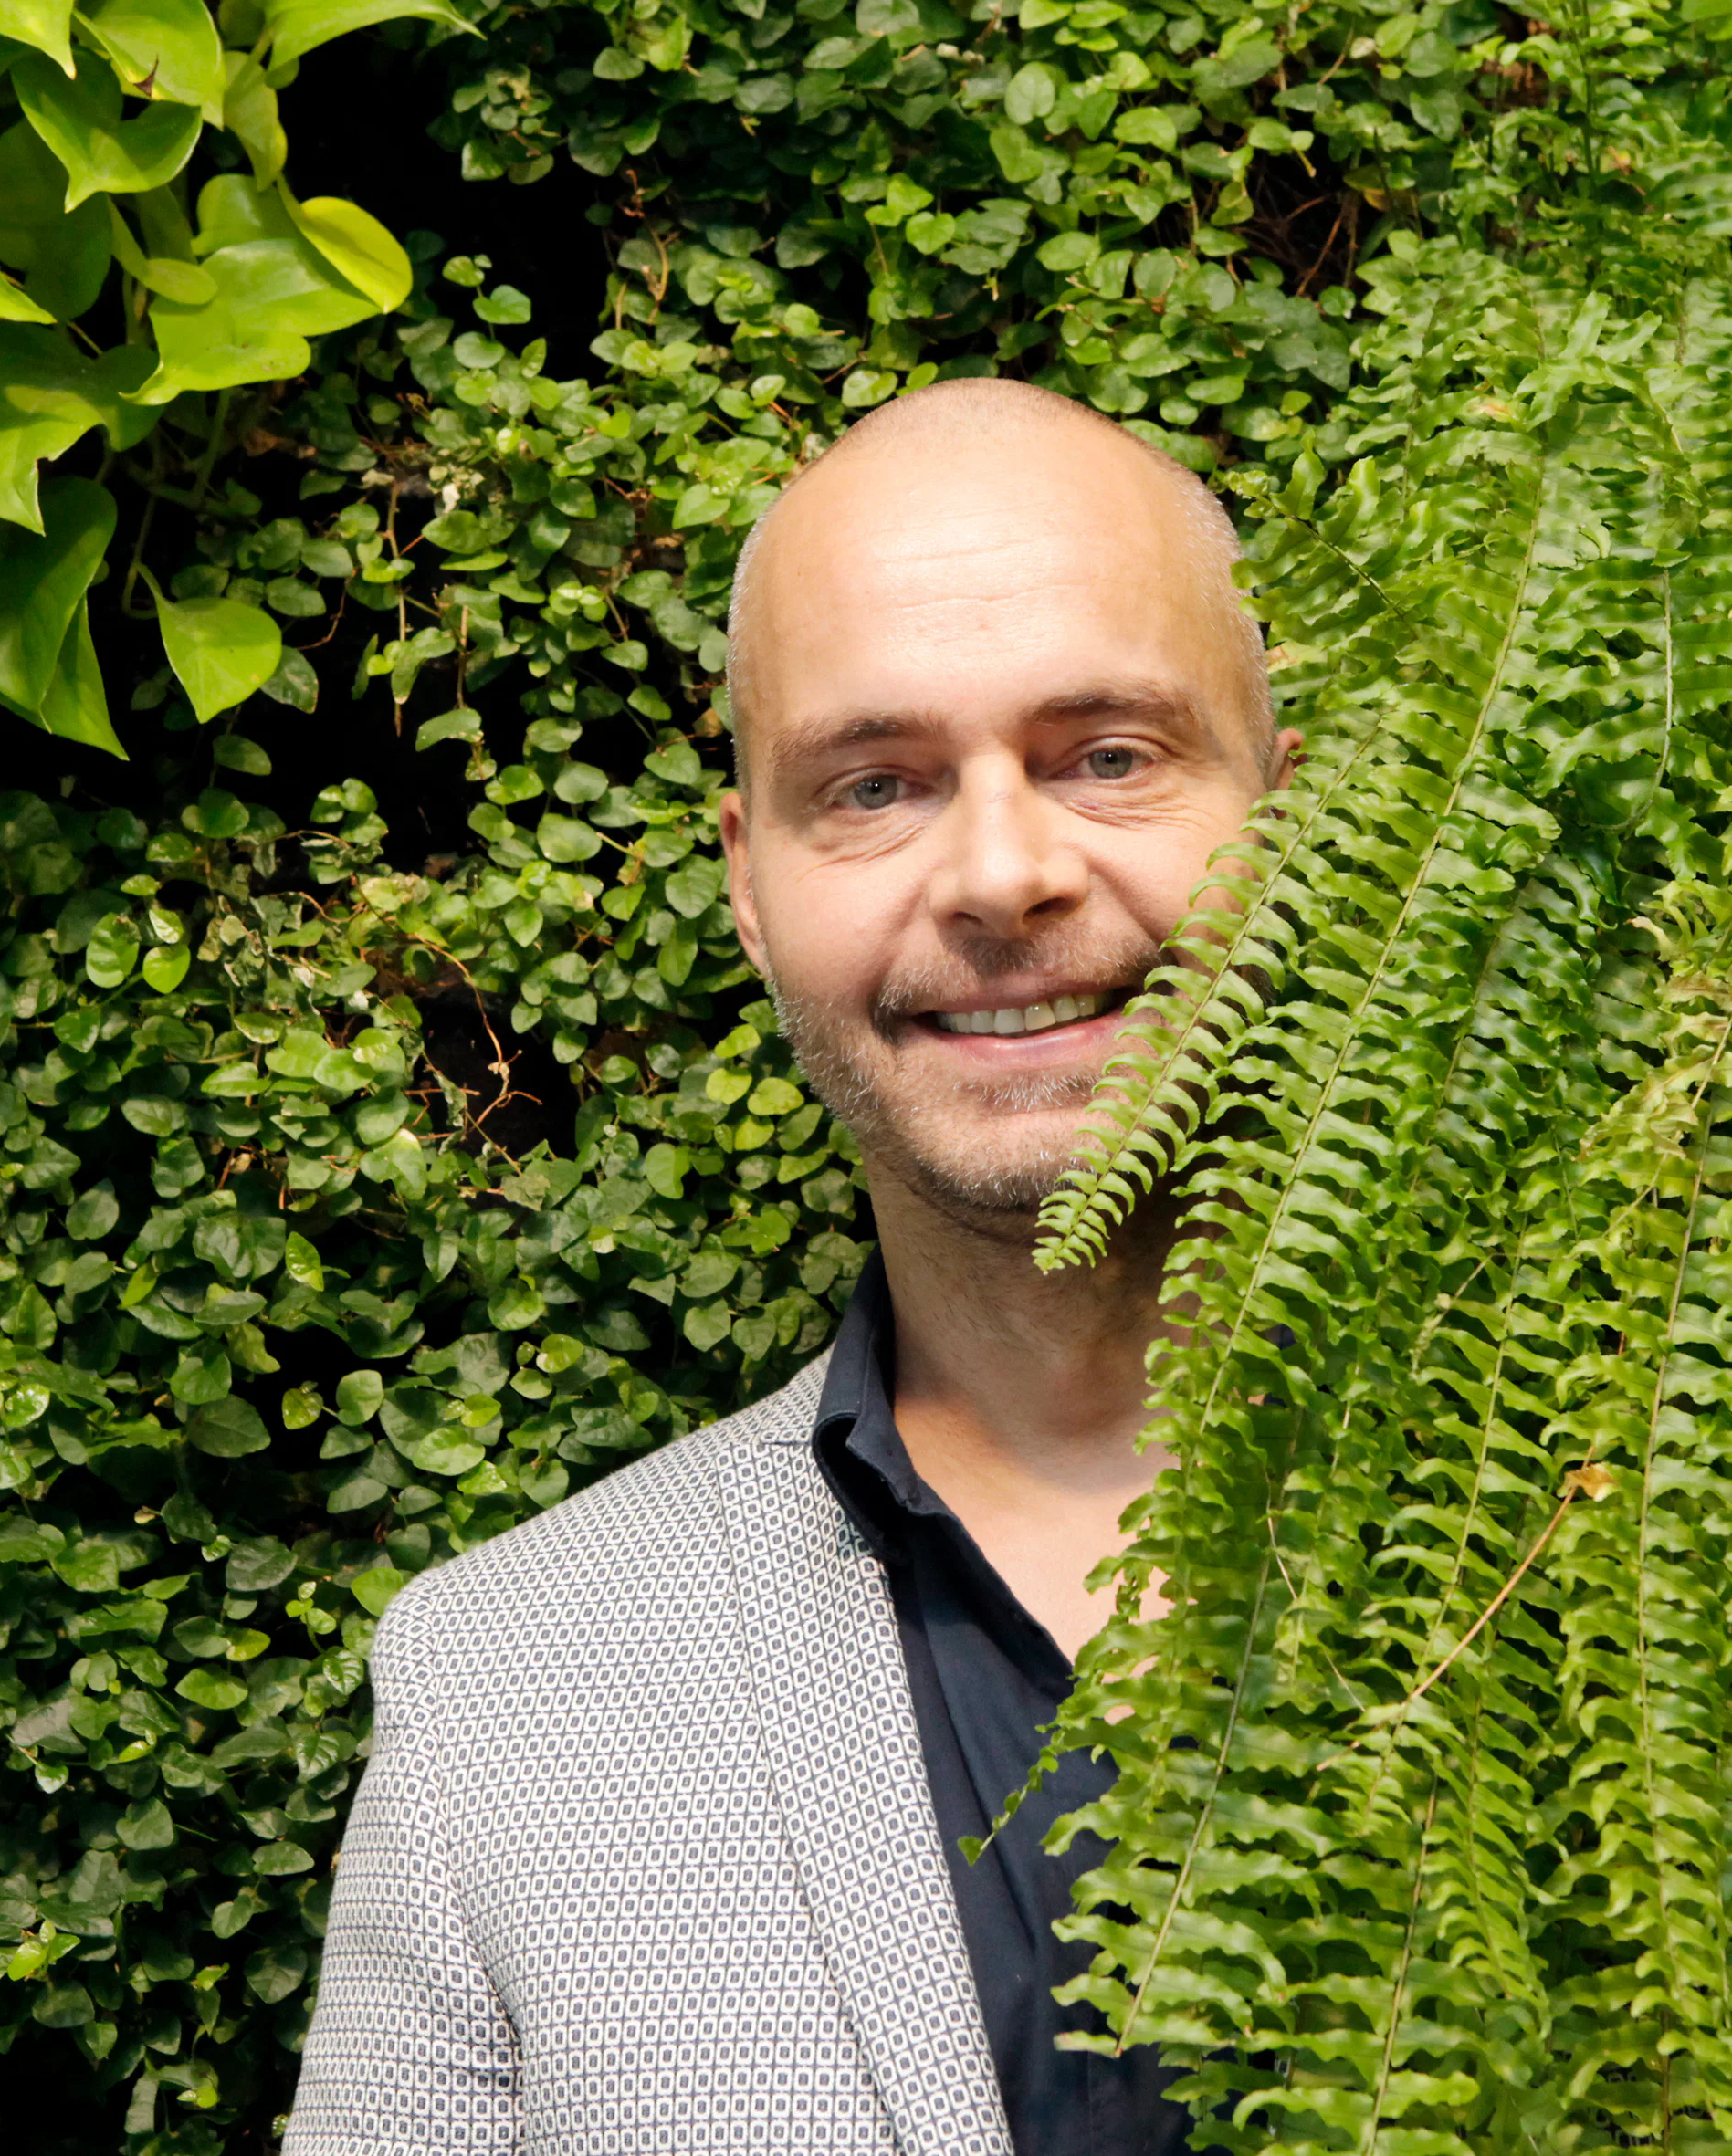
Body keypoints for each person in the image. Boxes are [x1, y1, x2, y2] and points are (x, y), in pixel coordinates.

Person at [284, 377, 1296, 2156]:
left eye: (1109, 755)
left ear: (1286, 810)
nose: (1004, 873)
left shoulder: (1700, 1544)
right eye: (875, 784)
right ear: (750, 885)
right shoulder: (496, 1694)